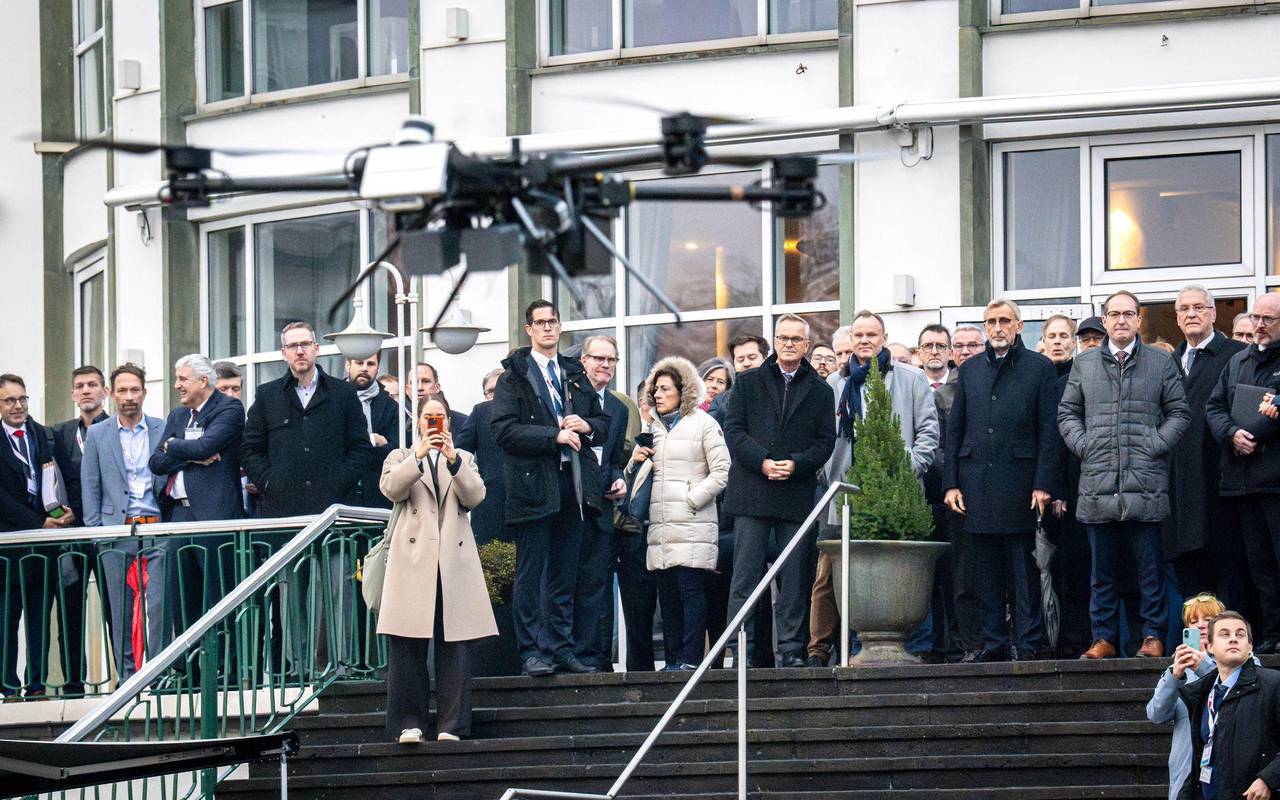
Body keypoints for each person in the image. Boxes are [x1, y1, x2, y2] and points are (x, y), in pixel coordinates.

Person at [1060, 290, 1190, 659]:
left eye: (1128, 314)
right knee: (1101, 574)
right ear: (1103, 321)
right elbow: (1066, 413)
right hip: (1098, 484)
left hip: (1144, 483)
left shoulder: (1160, 363)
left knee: (1149, 572)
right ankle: (1103, 639)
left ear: (1138, 320)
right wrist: (1086, 445)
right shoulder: (1084, 365)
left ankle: (1151, 637)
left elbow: (1180, 413)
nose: (1121, 320)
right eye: (1113, 314)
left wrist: (1154, 444)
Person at [807, 311, 939, 666]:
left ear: (883, 337)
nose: (865, 340)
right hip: (846, 492)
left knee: (906, 566)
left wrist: (906, 468)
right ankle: (851, 648)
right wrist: (827, 473)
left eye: (872, 334)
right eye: (859, 334)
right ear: (851, 340)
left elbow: (929, 431)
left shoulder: (911, 378)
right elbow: (820, 437)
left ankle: (919, 645)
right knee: (847, 573)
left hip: (899, 492)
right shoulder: (836, 383)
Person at [492, 300, 609, 677]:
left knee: (564, 574)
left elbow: (604, 422)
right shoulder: (514, 375)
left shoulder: (574, 373)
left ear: (560, 327)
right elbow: (504, 431)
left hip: (572, 485)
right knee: (531, 574)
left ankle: (562, 650)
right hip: (532, 486)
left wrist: (585, 426)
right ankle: (531, 652)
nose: (547, 328)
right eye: (540, 322)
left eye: (553, 322)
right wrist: (554, 435)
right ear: (528, 329)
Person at [944, 299, 1060, 662]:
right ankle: (993, 642)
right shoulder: (971, 369)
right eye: (991, 321)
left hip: (1022, 485)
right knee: (985, 572)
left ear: (1019, 325)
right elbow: (956, 428)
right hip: (976, 484)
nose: (997, 328)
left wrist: (1043, 483)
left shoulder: (1040, 368)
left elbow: (1049, 431)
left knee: (1024, 572)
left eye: (1004, 321)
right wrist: (951, 483)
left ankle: (1028, 642)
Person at [378, 395, 495, 743]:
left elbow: (476, 496)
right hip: (412, 562)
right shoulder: (399, 456)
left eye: (440, 417)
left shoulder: (464, 458)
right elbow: (391, 489)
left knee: (455, 646)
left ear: (448, 421)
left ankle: (452, 725)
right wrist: (417, 456)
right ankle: (408, 724)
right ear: (418, 422)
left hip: (452, 562)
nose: (434, 424)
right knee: (407, 646)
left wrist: (452, 459)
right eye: (428, 417)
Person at [723, 314, 836, 668]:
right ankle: (741, 646)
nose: (788, 344)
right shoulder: (748, 382)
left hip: (795, 492)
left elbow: (825, 441)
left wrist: (797, 464)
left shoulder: (821, 390)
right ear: (774, 341)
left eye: (795, 339)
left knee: (794, 576)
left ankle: (791, 648)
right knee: (745, 575)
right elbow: (734, 431)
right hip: (752, 490)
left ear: (806, 344)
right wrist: (763, 462)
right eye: (782, 338)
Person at [631, 357, 730, 670]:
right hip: (660, 525)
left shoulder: (704, 424)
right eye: (655, 389)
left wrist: (691, 500)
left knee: (690, 591)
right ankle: (672, 659)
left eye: (665, 389)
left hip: (692, 524)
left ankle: (690, 659)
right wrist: (635, 460)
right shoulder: (653, 429)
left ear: (682, 391)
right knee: (668, 595)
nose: (657, 394)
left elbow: (723, 471)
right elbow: (642, 478)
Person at [80, 364, 171, 681]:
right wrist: (97, 533)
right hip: (116, 531)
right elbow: (89, 485)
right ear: (111, 394)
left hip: (157, 527)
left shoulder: (163, 428)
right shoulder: (97, 434)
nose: (129, 396)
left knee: (158, 607)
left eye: (135, 390)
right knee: (119, 610)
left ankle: (158, 674)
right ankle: (127, 678)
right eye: (122, 390)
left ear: (144, 393)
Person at [149, 354, 246, 644]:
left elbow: (205, 446)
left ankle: (225, 670)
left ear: (203, 381)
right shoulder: (178, 415)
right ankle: (190, 670)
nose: (177, 384)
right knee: (182, 598)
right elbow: (155, 462)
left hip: (214, 517)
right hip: (179, 516)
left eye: (182, 379)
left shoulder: (229, 408)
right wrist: (190, 455)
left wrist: (175, 446)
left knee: (218, 596)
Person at [1166, 286, 1248, 615]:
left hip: (1221, 485)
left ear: (1213, 313)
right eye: (1184, 308)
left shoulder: (1234, 355)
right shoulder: (1169, 362)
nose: (1191, 314)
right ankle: (1196, 650)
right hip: (1179, 492)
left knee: (1228, 572)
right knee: (1190, 576)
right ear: (1177, 318)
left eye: (1199, 307)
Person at [1206, 294, 1280, 654]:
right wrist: (1232, 434)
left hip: (1276, 481)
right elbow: (1214, 407)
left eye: (1269, 319)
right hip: (1244, 483)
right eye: (1256, 317)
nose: (1260, 324)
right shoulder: (1238, 362)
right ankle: (1271, 632)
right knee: (1259, 565)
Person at [241, 322, 375, 521]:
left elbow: (361, 448)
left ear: (316, 348)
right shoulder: (267, 395)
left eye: (305, 344)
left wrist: (340, 480)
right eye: (293, 346)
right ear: (283, 352)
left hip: (333, 511)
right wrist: (269, 483)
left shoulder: (343, 393)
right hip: (281, 513)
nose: (300, 351)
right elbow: (250, 449)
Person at [0, 373, 73, 698]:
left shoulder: (41, 434)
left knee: (40, 618)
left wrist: (59, 515)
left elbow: (52, 480)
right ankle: (8, 686)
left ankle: (38, 684)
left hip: (42, 546)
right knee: (6, 620)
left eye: (22, 399)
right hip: (9, 544)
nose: (18, 406)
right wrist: (37, 522)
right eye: (10, 400)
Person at [572, 335, 630, 672]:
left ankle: (595, 656)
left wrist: (618, 476)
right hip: (571, 504)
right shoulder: (569, 398)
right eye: (598, 358)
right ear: (583, 361)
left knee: (597, 585)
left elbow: (611, 457)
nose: (605, 365)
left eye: (611, 360)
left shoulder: (619, 409)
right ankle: (571, 653)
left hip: (602, 509)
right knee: (569, 583)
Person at [1178, 611, 1280, 800]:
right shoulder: (1202, 693)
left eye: (1240, 635)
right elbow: (1201, 757)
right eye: (1224, 634)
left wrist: (1268, 779)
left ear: (1250, 647)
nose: (1233, 639)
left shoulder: (1273, 684)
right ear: (1209, 646)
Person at [50, 365, 109, 695]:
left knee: (116, 610)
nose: (86, 390)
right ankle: (73, 684)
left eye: (92, 385)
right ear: (73, 394)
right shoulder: (59, 433)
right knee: (70, 612)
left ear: (104, 392)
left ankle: (129, 682)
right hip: (70, 535)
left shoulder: (115, 427)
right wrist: (59, 513)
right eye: (80, 386)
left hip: (106, 533)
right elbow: (48, 478)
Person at [1040, 314, 1093, 659]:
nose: (1058, 342)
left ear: (1073, 341)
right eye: (1052, 336)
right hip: (1045, 492)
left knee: (1077, 571)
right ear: (1043, 341)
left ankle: (1076, 638)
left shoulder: (1082, 376)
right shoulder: (1039, 376)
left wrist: (1062, 490)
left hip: (1080, 489)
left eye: (1064, 336)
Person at [1147, 593, 1227, 800]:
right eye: (1193, 621)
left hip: (1227, 766)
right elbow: (1156, 715)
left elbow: (1232, 692)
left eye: (1208, 620)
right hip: (1187, 770)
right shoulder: (1179, 667)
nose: (1200, 626)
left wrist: (1204, 666)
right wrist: (1174, 677)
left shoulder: (1242, 660)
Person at [455, 368, 507, 546]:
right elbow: (461, 453)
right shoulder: (480, 413)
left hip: (525, 503)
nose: (495, 396)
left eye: (500, 389)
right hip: (489, 503)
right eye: (490, 391)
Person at [344, 352, 402, 509]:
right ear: (348, 365)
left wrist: (353, 445)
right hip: (342, 494)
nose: (364, 368)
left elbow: (396, 451)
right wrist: (372, 440)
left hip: (379, 495)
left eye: (370, 364)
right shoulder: (333, 400)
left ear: (378, 368)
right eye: (359, 362)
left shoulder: (391, 406)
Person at [708, 335, 769, 427]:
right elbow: (712, 428)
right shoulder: (721, 400)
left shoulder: (778, 391)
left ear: (765, 359)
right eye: (740, 360)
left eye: (752, 357)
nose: (746, 363)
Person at [410, 363, 469, 435]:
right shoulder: (399, 425)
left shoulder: (463, 424)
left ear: (437, 387)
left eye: (426, 381)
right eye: (413, 382)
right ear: (407, 389)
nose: (419, 388)